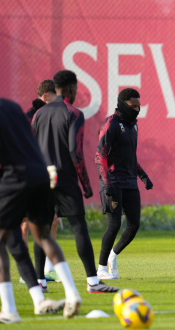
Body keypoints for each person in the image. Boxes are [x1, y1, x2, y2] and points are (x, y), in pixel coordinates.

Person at [32, 70, 118, 294]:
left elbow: (32, 148)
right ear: (72, 89)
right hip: (64, 178)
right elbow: (74, 151)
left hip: (41, 178)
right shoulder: (74, 113)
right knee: (79, 227)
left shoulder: (38, 115)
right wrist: (86, 184)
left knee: (41, 230)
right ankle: (92, 281)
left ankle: (40, 282)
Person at [0, 98, 83, 322]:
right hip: (40, 173)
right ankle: (64, 294)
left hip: (13, 177)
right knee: (40, 236)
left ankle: (9, 310)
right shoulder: (12, 106)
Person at [95, 88, 153, 280]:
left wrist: (143, 176)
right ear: (121, 104)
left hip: (129, 182)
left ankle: (113, 256)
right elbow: (100, 156)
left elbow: (130, 157)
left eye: (138, 106)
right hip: (112, 181)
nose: (136, 109)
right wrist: (107, 182)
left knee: (134, 225)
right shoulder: (111, 124)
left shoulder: (133, 126)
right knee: (114, 224)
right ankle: (101, 268)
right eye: (132, 106)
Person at [19, 79, 61, 285]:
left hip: (48, 176)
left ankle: (48, 269)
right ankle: (26, 271)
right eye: (55, 98)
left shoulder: (53, 116)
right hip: (30, 176)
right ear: (45, 97)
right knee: (26, 224)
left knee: (53, 220)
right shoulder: (28, 117)